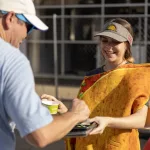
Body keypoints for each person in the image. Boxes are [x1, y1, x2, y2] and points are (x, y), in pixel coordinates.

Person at [0, 0, 90, 150]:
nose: (27, 35)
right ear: (10, 18)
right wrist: (76, 114)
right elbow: (40, 134)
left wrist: (28, 104)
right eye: (28, 27)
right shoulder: (11, 61)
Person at [65, 18, 150, 150]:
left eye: (115, 41)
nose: (108, 47)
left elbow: (142, 120)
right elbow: (83, 117)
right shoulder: (90, 77)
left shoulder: (137, 77)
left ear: (127, 44)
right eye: (105, 41)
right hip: (88, 145)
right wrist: (63, 110)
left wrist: (108, 121)